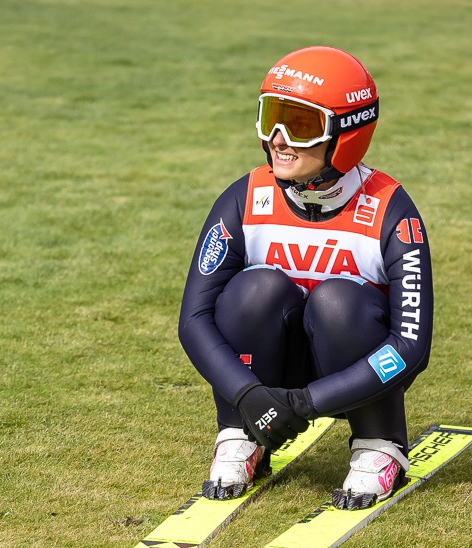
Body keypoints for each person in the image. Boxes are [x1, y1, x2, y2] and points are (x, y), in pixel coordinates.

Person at [177, 46, 433, 510]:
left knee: (339, 301)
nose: (278, 139)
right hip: (263, 373)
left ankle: (380, 444)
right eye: (271, 118)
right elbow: (194, 319)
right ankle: (240, 434)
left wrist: (305, 403)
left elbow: (410, 347)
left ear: (346, 133)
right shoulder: (244, 197)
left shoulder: (390, 209)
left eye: (300, 124)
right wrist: (246, 395)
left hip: (352, 366)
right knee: (254, 290)